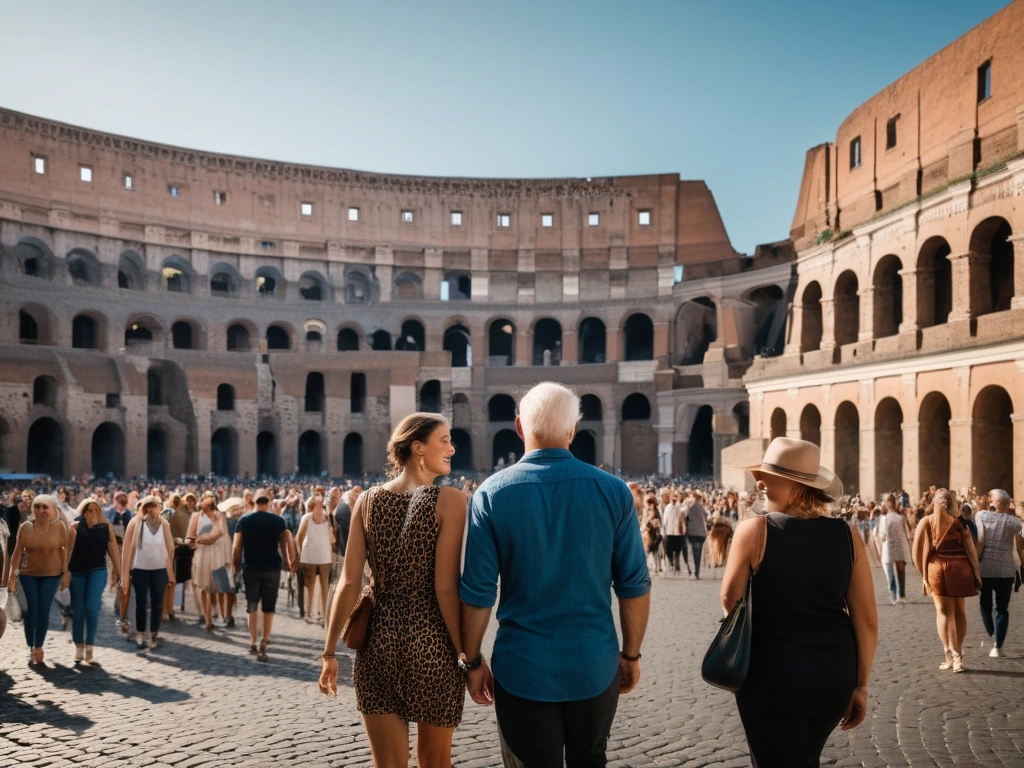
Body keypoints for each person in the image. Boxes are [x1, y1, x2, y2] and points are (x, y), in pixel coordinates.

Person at [460, 383, 651, 767]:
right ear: (573, 430)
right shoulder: (614, 492)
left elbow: (478, 592)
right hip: (594, 663)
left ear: (519, 426)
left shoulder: (490, 495)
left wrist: (473, 660)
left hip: (523, 666)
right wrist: (630, 654)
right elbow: (633, 585)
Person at [319, 413, 468, 768]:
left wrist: (329, 653)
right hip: (431, 642)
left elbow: (348, 582)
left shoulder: (367, 500)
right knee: (435, 760)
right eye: (444, 440)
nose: (452, 448)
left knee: (387, 764)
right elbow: (445, 588)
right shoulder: (450, 500)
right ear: (418, 448)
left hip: (378, 643)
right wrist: (467, 654)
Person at [722, 437, 877, 767]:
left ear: (796, 487)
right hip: (834, 675)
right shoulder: (848, 535)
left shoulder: (754, 531)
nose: (760, 483)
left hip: (773, 674)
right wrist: (861, 686)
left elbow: (729, 602)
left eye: (769, 477)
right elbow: (866, 619)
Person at [912, 488, 981, 673]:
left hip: (939, 569)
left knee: (945, 613)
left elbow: (916, 552)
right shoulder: (958, 522)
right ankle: (956, 654)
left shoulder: (928, 521)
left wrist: (923, 575)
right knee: (957, 610)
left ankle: (951, 655)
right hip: (959, 568)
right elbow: (971, 545)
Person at [6, 494, 70, 665]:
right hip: (29, 574)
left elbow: (64, 550)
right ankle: (30, 646)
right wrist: (12, 577)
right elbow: (17, 552)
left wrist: (65, 573)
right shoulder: (25, 527)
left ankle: (39, 646)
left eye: (45, 507)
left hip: (52, 574)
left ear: (53, 510)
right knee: (32, 609)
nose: (41, 510)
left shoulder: (59, 527)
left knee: (43, 609)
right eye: (37, 507)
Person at [233, 489, 294, 662]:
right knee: (269, 607)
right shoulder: (278, 521)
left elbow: (236, 547)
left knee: (252, 604)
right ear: (268, 503)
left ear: (254, 502)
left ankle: (252, 641)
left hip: (251, 567)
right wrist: (288, 563)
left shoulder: (244, 520)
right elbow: (284, 544)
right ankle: (264, 641)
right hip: (271, 568)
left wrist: (236, 566)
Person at [65, 497, 122, 663]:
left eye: (97, 510)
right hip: (77, 572)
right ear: (83, 513)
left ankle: (89, 644)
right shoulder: (75, 528)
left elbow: (114, 552)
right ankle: (79, 645)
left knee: (92, 608)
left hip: (97, 570)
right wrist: (64, 572)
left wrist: (121, 575)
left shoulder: (106, 528)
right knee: (78, 610)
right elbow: (67, 553)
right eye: (90, 510)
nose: (94, 513)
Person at [121, 496, 175, 650]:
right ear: (144, 508)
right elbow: (127, 549)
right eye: (149, 507)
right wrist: (125, 573)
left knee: (158, 603)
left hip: (159, 569)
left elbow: (170, 548)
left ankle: (154, 634)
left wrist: (169, 570)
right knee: (141, 602)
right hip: (140, 569)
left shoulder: (164, 524)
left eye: (154, 506)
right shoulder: (135, 523)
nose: (151, 510)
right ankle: (141, 633)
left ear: (159, 508)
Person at [975, 489, 1024, 658]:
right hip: (1005, 571)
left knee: (985, 603)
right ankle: (998, 645)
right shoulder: (1015, 522)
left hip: (985, 568)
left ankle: (991, 631)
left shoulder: (982, 516)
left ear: (994, 502)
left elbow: (980, 540)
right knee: (1002, 608)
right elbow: (1019, 545)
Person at [188, 494, 230, 631]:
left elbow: (220, 534)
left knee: (217, 586)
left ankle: (221, 614)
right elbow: (190, 536)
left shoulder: (219, 516)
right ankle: (207, 618)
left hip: (216, 553)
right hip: (202, 554)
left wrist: (200, 539)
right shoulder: (196, 516)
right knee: (204, 586)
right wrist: (192, 542)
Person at [296, 494, 335, 625]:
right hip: (312, 555)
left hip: (321, 555)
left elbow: (331, 537)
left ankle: (321, 615)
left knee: (322, 586)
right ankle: (311, 613)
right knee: (312, 586)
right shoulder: (309, 518)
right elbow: (299, 537)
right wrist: (299, 555)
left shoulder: (325, 518)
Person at [878, 493, 912, 605]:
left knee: (895, 572)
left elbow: (883, 536)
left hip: (893, 546)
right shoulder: (892, 518)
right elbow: (882, 536)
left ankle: (897, 595)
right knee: (895, 572)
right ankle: (897, 595)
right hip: (894, 545)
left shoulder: (892, 518)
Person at [662, 492, 687, 576]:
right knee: (668, 550)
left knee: (677, 551)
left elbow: (682, 520)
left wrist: (683, 530)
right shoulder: (667, 508)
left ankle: (677, 566)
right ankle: (672, 563)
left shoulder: (680, 508)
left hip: (677, 533)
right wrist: (663, 531)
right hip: (669, 532)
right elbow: (664, 521)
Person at [685, 492, 708, 579]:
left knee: (694, 553)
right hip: (701, 533)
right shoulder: (702, 507)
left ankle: (695, 571)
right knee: (698, 553)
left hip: (693, 532)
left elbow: (686, 517)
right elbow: (706, 516)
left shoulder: (690, 507)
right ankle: (697, 571)